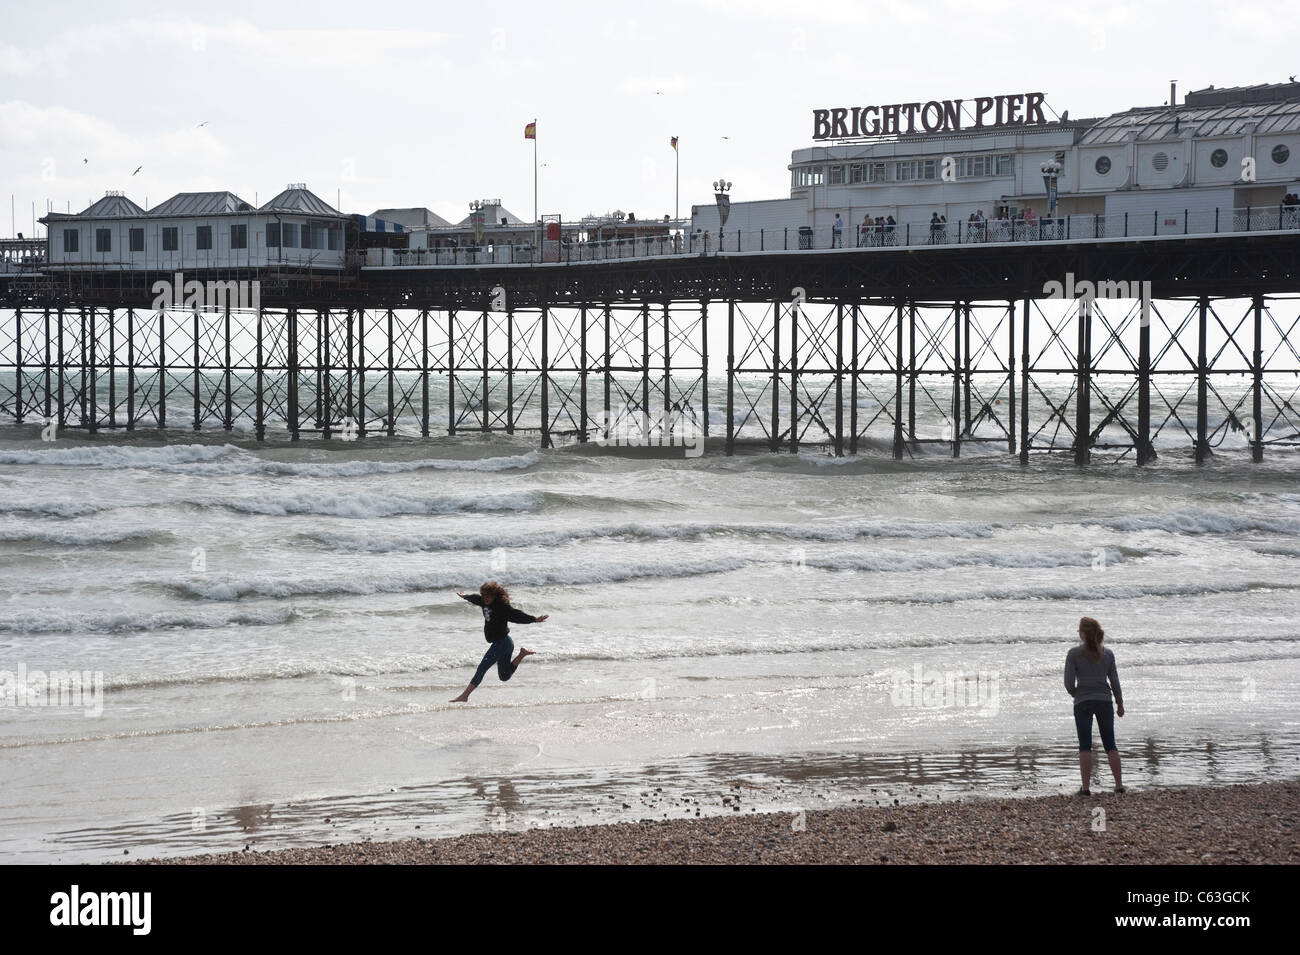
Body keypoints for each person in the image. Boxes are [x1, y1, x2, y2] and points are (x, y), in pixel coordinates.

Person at [449, 581, 549, 702]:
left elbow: (515, 614)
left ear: (495, 595)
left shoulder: (501, 606)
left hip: (502, 643)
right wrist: (464, 596)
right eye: (483, 595)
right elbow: (475, 598)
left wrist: (534, 619)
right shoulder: (483, 601)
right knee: (504, 676)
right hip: (506, 643)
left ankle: (465, 696)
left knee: (482, 668)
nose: (485, 598)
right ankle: (522, 654)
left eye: (488, 595)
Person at [1064, 616, 1125, 795]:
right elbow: (1114, 681)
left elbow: (1068, 682)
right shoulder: (1108, 654)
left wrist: (1076, 692)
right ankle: (1119, 785)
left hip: (1083, 701)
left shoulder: (1074, 654)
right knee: (1110, 744)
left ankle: (1086, 788)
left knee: (1085, 745)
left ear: (1083, 634)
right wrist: (1119, 703)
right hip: (1104, 701)